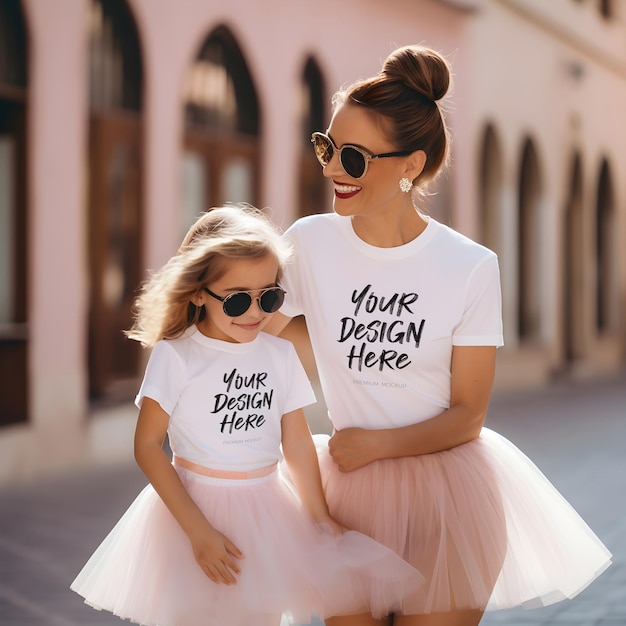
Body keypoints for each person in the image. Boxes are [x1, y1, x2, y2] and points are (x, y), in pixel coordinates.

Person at [264, 45, 612, 626]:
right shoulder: (309, 243)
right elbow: (261, 335)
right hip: (343, 496)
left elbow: (467, 415)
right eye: (326, 147)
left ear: (409, 166)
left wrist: (374, 445)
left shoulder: (469, 266)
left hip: (450, 496)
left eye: (352, 157)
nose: (330, 169)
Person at [70, 205, 422, 626]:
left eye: (269, 297)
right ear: (199, 292)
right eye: (238, 299)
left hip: (268, 511)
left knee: (262, 615)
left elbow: (295, 442)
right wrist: (197, 531)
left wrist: (319, 516)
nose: (256, 313)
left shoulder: (280, 354)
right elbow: (147, 446)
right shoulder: (176, 355)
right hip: (193, 510)